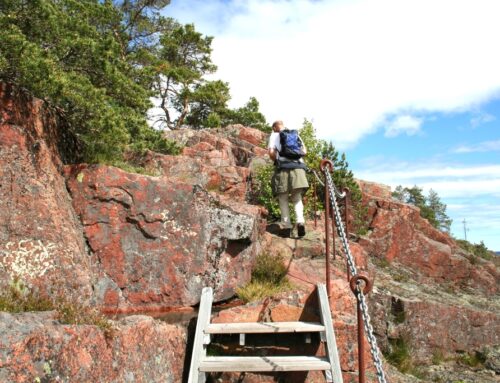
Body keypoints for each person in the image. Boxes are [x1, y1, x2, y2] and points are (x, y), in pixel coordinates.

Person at [268, 120, 309, 237]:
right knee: (297, 198)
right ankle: (300, 222)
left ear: (275, 127)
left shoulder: (275, 135)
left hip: (283, 169)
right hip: (298, 169)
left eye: (273, 128)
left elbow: (271, 152)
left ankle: (287, 227)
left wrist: (276, 160)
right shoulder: (295, 134)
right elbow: (304, 152)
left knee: (283, 198)